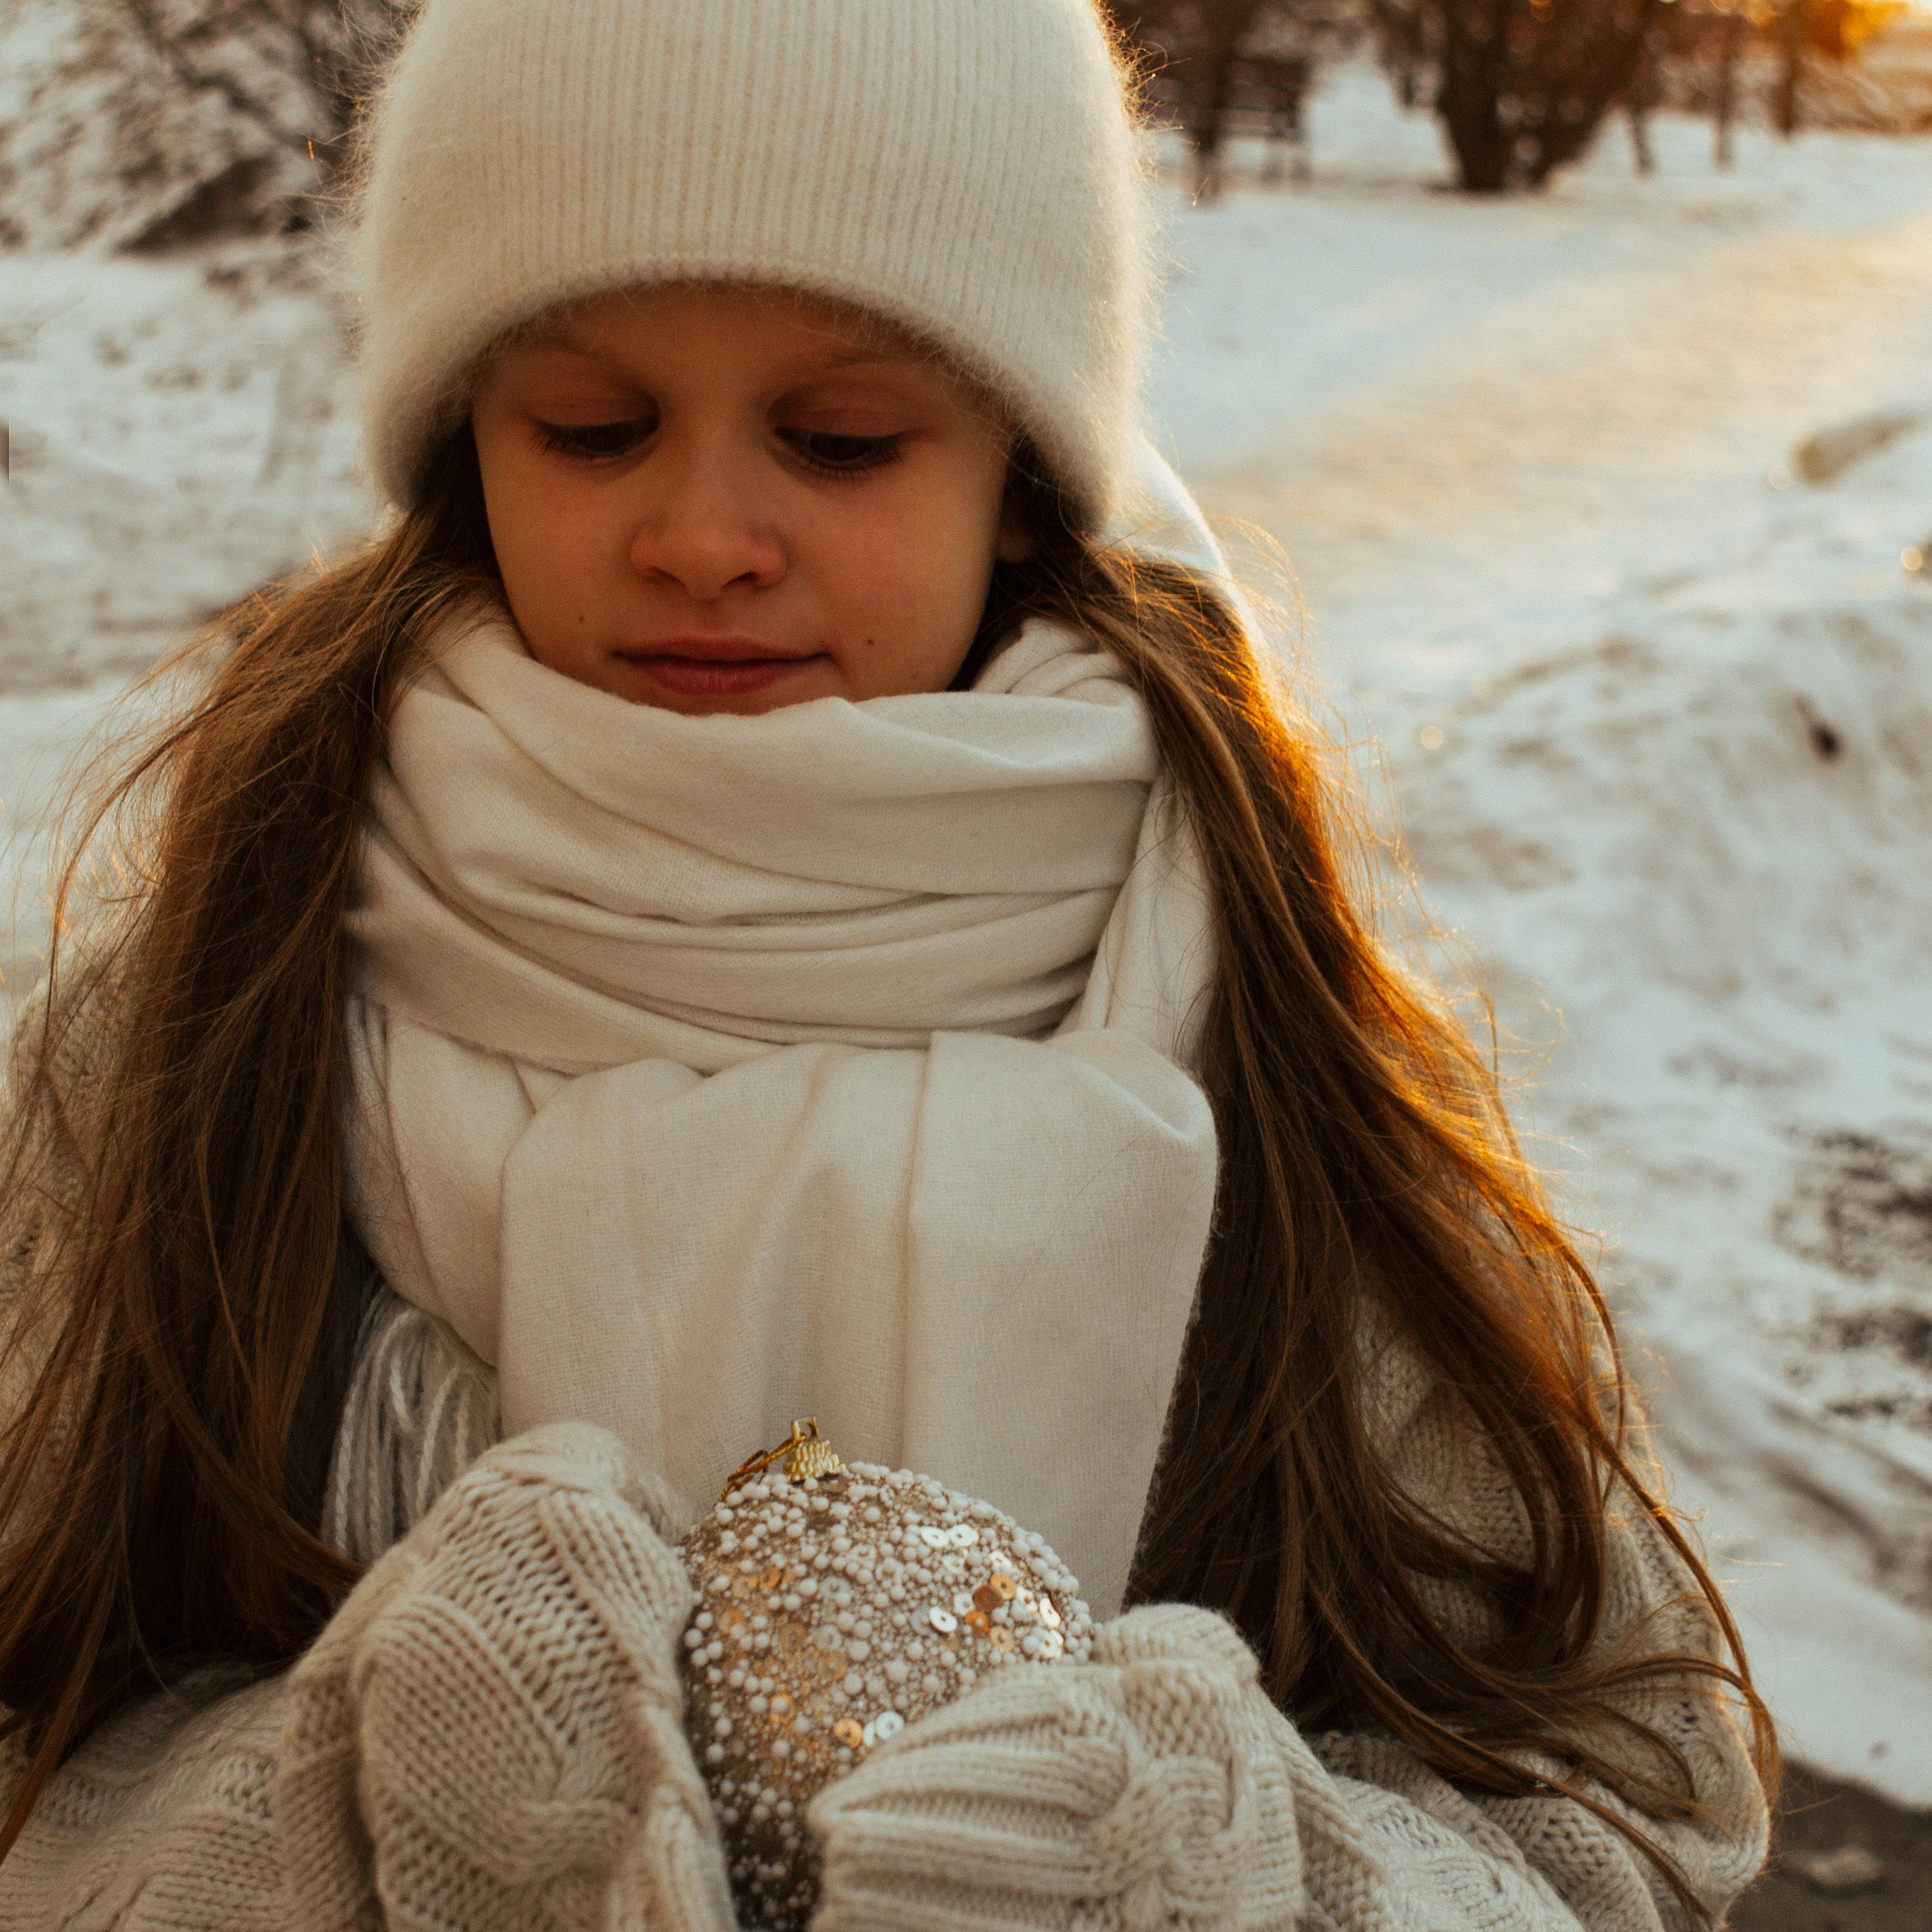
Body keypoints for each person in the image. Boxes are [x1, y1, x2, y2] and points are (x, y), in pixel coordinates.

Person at [0, 1, 1772, 1926]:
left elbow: (1622, 1811)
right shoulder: (216, 1017)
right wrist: (343, 1811)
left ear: (1020, 467)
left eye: (839, 438)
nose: (697, 536)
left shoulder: (1235, 1008)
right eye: (590, 427)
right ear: (457, 444)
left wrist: (1208, 1876)